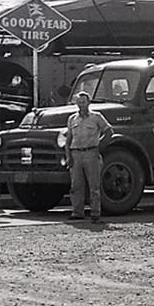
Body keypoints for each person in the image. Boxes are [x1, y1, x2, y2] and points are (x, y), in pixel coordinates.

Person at [64, 90, 112, 223]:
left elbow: (109, 131)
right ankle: (77, 212)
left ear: (88, 102)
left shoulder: (96, 117)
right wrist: (68, 156)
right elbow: (68, 139)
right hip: (76, 154)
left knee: (94, 186)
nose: (81, 105)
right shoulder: (72, 119)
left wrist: (99, 147)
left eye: (83, 102)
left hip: (91, 153)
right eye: (78, 102)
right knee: (76, 185)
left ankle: (95, 213)